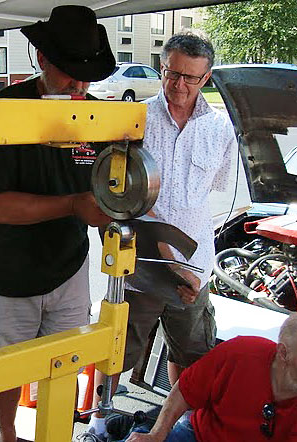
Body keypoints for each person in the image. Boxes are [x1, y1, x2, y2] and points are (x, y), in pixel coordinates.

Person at [0, 6, 115, 442]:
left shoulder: (97, 116)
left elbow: (109, 188)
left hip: (67, 267)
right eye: (70, 72)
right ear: (42, 59)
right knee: (6, 366)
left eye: (87, 76)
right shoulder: (6, 110)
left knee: (65, 362)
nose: (79, 85)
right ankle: (8, 434)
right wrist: (73, 205)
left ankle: (56, 434)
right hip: (5, 271)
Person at [84, 31, 237, 441]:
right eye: (172, 73)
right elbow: (123, 196)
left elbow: (210, 193)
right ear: (163, 68)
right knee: (118, 347)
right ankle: (100, 419)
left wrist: (190, 265)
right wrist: (171, 260)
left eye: (191, 77)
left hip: (195, 263)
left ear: (206, 78)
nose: (179, 85)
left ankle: (182, 421)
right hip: (143, 259)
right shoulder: (137, 120)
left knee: (191, 352)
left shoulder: (220, 127)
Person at [125, 313, 297, 442]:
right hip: (197, 436)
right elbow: (185, 390)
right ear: (283, 353)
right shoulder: (242, 352)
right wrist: (156, 435)